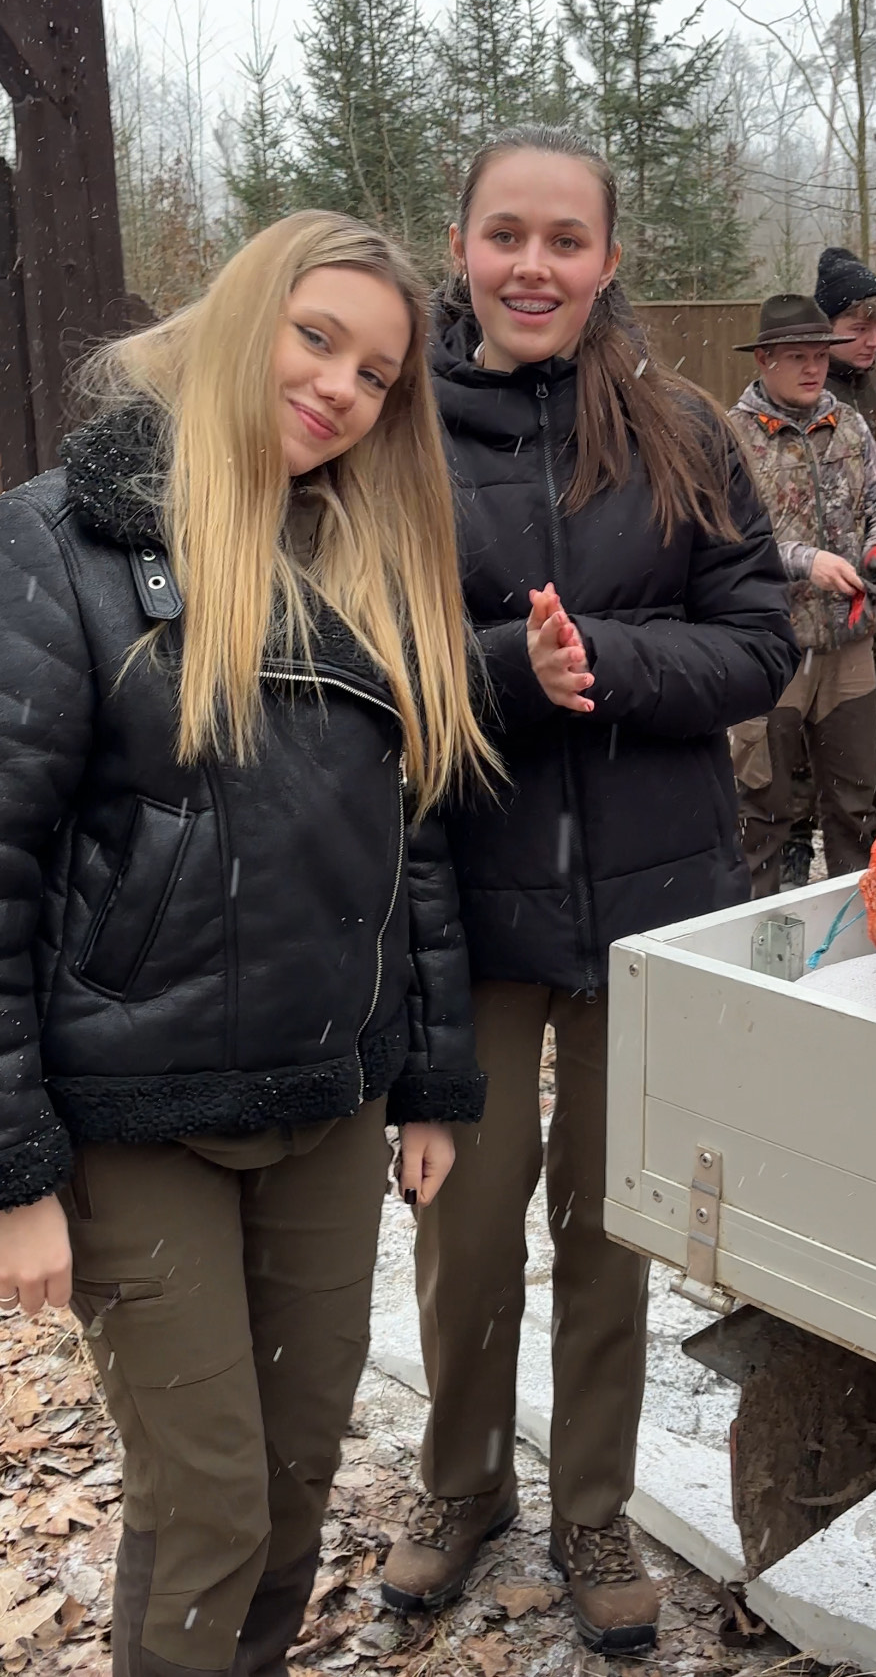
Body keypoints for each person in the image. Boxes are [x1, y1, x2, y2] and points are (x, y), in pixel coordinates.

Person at [0, 211, 491, 1677]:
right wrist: (15, 1173)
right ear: (238, 321)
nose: (341, 387)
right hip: (135, 1114)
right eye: (315, 337)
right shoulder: (63, 542)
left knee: (292, 1486)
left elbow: (414, 843)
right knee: (208, 1502)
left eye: (377, 374)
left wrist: (432, 1080)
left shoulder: (373, 558)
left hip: (329, 1102)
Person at [378, 124, 796, 1655]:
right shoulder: (394, 434)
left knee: (608, 1227)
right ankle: (461, 1482)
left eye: (565, 239)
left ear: (608, 258)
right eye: (506, 234)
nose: (533, 265)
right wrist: (507, 667)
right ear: (460, 246)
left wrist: (605, 661)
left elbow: (758, 641)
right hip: (466, 905)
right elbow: (355, 658)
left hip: (648, 906)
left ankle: (590, 1503)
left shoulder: (680, 432)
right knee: (463, 1226)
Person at [727, 295, 876, 897]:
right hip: (768, 648)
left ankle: (854, 926)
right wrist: (808, 562)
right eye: (797, 357)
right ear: (764, 359)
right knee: (761, 810)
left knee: (855, 805)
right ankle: (751, 932)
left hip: (849, 648)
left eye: (821, 357)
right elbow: (727, 539)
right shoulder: (732, 437)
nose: (812, 368)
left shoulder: (848, 425)